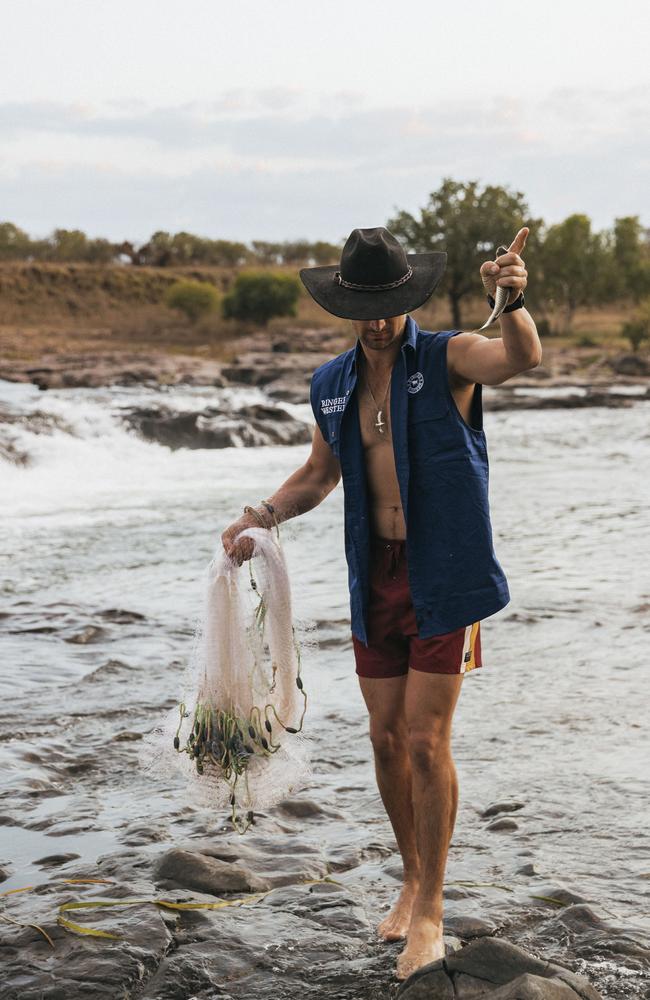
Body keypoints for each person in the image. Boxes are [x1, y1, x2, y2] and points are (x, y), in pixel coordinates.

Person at [221, 225, 541, 980]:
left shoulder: (450, 354)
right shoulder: (331, 382)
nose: (377, 321)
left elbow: (520, 358)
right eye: (363, 306)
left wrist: (516, 300)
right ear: (345, 304)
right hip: (376, 574)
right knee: (385, 739)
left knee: (429, 741)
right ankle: (409, 878)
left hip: (448, 573)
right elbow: (318, 474)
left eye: (390, 305)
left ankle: (431, 908)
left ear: (409, 299)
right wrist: (258, 517)